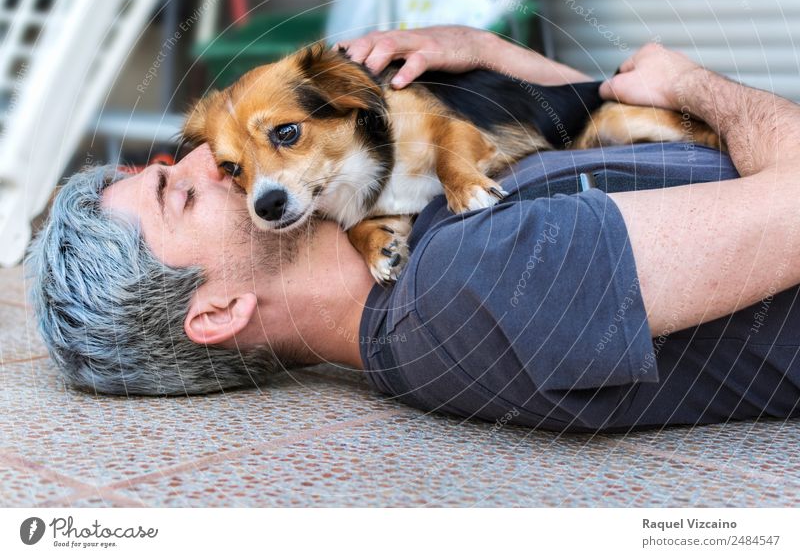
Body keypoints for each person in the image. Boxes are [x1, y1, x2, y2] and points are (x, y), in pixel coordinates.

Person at [28, 26, 800, 431]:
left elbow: (598, 140)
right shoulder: (468, 284)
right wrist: (694, 80)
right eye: (181, 195)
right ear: (219, 312)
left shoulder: (425, 236)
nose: (209, 159)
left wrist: (493, 62)